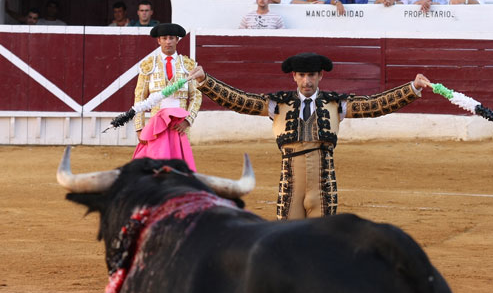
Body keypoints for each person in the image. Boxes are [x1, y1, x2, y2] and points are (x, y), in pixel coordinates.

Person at [187, 52, 432, 220]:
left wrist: (412, 88)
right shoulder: (278, 103)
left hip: (324, 184)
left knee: (322, 244)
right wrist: (205, 82)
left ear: (320, 76)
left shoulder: (336, 104)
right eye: (302, 75)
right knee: (287, 242)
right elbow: (240, 100)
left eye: (311, 75)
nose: (307, 81)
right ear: (293, 77)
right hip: (289, 184)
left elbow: (375, 105)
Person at [132, 23, 202, 170]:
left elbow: (196, 96)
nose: (168, 41)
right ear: (159, 41)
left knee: (180, 165)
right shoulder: (148, 66)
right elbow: (139, 97)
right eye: (164, 38)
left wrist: (188, 121)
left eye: (171, 38)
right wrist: (139, 128)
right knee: (155, 163)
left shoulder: (188, 65)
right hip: (156, 125)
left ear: (177, 40)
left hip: (180, 125)